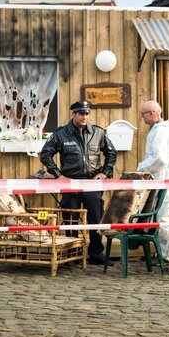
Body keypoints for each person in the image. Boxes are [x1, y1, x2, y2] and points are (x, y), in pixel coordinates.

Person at [40, 100, 117, 265]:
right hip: (70, 184)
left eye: (87, 113)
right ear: (73, 114)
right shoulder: (61, 134)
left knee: (95, 218)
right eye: (81, 113)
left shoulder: (98, 132)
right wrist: (58, 175)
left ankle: (96, 253)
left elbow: (111, 154)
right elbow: (45, 154)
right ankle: (71, 252)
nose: (85, 117)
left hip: (92, 183)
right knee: (70, 220)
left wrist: (105, 172)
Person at [137, 100, 169, 262]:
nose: (142, 118)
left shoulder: (161, 131)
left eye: (143, 114)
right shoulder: (162, 129)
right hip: (162, 175)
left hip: (162, 175)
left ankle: (165, 255)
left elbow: (160, 159)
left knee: (163, 216)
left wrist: (141, 168)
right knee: (158, 215)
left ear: (152, 113)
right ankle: (160, 251)